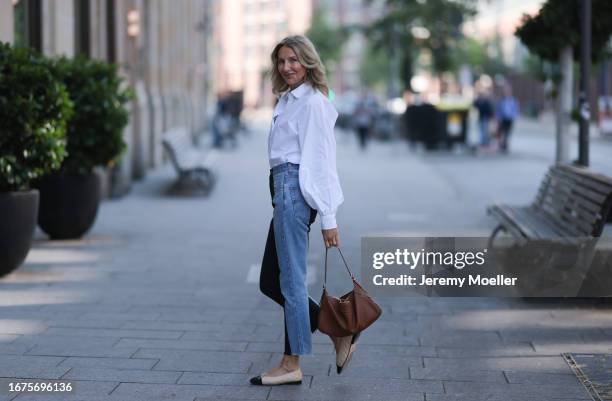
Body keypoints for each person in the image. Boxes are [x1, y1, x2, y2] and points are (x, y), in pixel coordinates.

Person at [250, 35, 353, 387]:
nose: (286, 67)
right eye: (281, 61)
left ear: (308, 61)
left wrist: (329, 217)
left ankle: (291, 363)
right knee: (270, 279)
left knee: (291, 281)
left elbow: (322, 162)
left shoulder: (313, 103)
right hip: (282, 190)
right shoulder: (289, 100)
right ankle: (339, 332)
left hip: (294, 190)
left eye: (293, 60)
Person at [495, 86, 519, 153]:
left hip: (510, 119)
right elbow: (498, 110)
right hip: (503, 118)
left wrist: (514, 116)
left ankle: (505, 145)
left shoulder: (513, 100)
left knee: (507, 132)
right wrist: (497, 117)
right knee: (501, 132)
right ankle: (500, 144)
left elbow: (515, 110)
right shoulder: (501, 100)